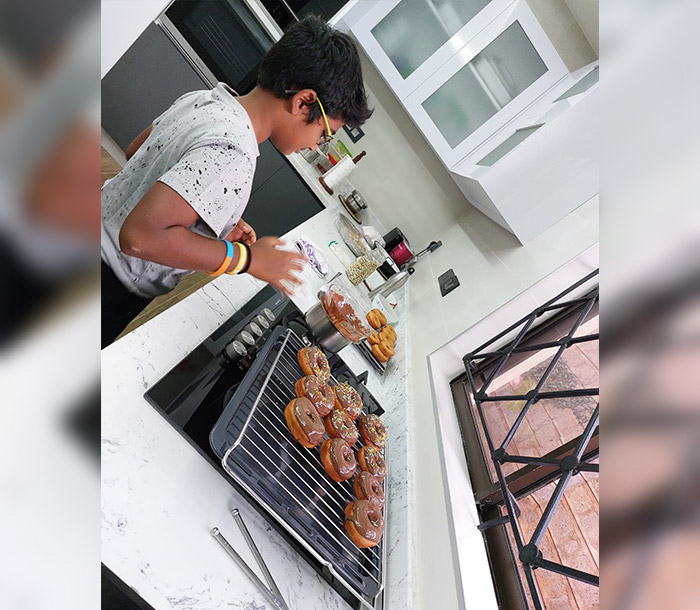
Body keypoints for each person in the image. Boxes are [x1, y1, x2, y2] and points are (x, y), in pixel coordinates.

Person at [101, 15, 373, 347]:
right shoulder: (236, 151)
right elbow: (140, 237)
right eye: (324, 133)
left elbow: (137, 153)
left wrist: (207, 211)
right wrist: (249, 259)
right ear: (303, 101)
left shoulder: (206, 99)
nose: (317, 145)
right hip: (107, 281)